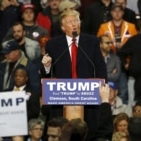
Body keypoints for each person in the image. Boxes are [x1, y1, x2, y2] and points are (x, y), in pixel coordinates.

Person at [41, 9, 107, 141]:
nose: (74, 24)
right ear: (62, 27)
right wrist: (47, 66)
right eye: (70, 22)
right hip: (62, 98)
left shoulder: (92, 42)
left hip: (88, 96)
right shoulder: (53, 44)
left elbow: (100, 67)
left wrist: (104, 86)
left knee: (89, 132)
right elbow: (47, 73)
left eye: (76, 20)